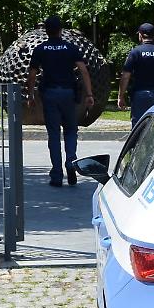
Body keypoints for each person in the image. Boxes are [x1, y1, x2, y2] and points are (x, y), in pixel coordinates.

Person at [25, 16, 95, 187]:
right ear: (60, 30)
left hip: (49, 94)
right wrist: (89, 94)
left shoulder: (41, 49)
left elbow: (32, 74)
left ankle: (57, 175)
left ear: (46, 31)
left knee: (54, 134)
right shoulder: (71, 48)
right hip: (68, 95)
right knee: (71, 130)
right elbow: (84, 71)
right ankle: (71, 161)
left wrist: (30, 95)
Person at [117, 22, 154, 126]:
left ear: (140, 35)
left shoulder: (135, 52)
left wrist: (120, 96)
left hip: (140, 94)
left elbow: (126, 76)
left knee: (139, 126)